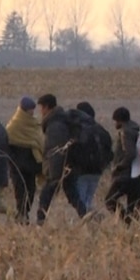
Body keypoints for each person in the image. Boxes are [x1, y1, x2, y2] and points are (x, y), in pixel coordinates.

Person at [36, 94, 85, 224]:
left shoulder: (55, 126)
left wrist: (54, 175)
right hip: (68, 166)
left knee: (45, 195)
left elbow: (56, 151)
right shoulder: (61, 120)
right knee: (72, 195)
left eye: (41, 107)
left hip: (58, 168)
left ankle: (40, 221)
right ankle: (85, 216)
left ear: (47, 107)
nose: (40, 111)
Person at [105, 106, 140, 224]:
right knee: (135, 206)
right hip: (139, 174)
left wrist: (119, 167)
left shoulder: (125, 132)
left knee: (109, 200)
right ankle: (138, 230)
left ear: (119, 120)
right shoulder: (137, 129)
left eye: (115, 121)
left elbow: (130, 153)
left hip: (126, 175)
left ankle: (126, 220)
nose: (115, 124)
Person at [6, 96, 43, 224]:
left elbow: (39, 140)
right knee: (20, 191)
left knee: (31, 191)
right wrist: (14, 162)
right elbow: (7, 147)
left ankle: (24, 213)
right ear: (23, 111)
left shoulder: (34, 124)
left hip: (31, 167)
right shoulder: (13, 126)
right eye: (29, 110)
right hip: (18, 167)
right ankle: (21, 216)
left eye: (32, 110)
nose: (32, 113)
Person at [74, 102, 114, 214]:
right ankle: (91, 224)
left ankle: (89, 222)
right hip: (97, 171)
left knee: (81, 202)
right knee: (88, 200)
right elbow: (110, 151)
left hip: (81, 171)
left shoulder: (79, 129)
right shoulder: (101, 130)